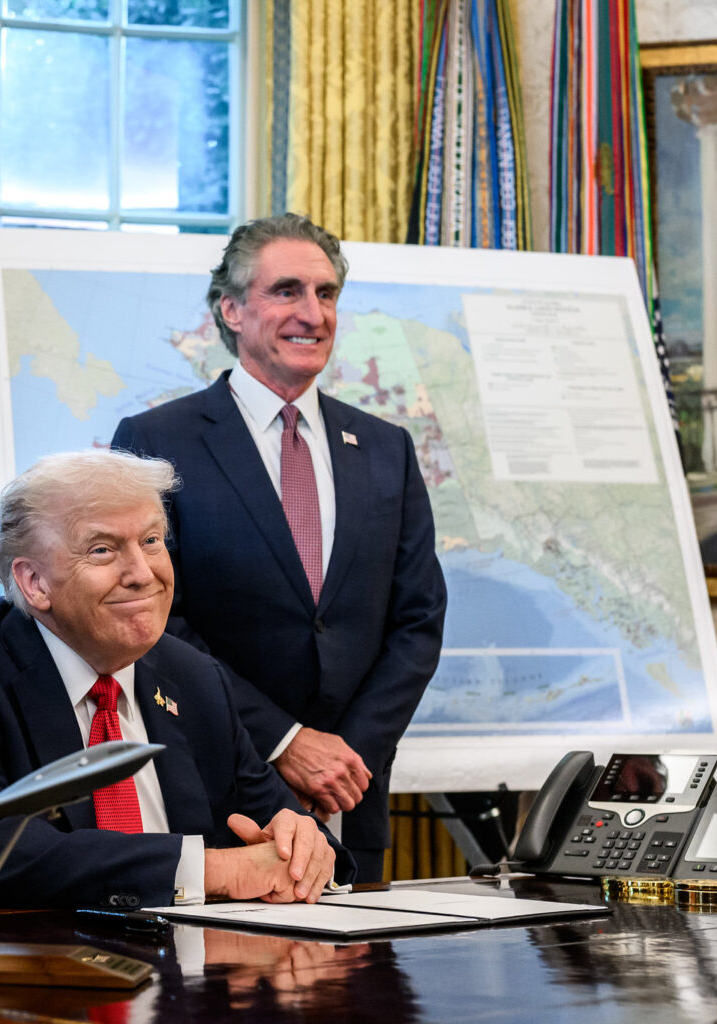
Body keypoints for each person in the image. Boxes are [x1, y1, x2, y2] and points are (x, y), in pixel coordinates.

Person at [111, 213, 446, 882]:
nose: (313, 313)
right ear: (231, 310)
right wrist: (285, 741)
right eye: (287, 291)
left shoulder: (387, 449)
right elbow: (154, 621)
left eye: (326, 295)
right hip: (220, 797)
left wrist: (348, 757)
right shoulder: (158, 441)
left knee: (357, 988)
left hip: (352, 796)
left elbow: (417, 621)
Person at [0, 448, 350, 910]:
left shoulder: (194, 677)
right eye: (103, 550)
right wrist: (211, 871)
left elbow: (292, 834)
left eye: (151, 541)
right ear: (34, 582)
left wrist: (306, 850)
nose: (143, 573)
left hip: (183, 976)